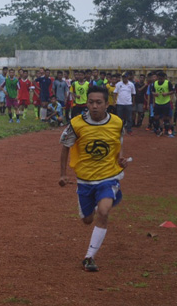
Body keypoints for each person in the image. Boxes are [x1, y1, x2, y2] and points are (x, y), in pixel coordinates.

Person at [59, 86, 129, 272]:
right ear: (86, 103)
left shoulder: (117, 122)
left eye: (99, 102)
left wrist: (121, 159)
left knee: (104, 212)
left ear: (107, 104)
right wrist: (63, 174)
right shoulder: (76, 124)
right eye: (91, 102)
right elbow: (65, 146)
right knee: (87, 219)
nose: (94, 106)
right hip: (85, 180)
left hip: (109, 177)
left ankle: (89, 257)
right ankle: (95, 204)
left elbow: (119, 142)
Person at [151, 71, 175, 137]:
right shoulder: (155, 83)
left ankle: (169, 132)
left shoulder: (168, 83)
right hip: (157, 103)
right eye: (159, 78)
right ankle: (158, 130)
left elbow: (173, 91)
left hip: (165, 103)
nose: (160, 79)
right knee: (156, 118)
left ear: (164, 78)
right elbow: (152, 91)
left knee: (167, 118)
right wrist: (154, 94)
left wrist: (167, 93)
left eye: (161, 78)